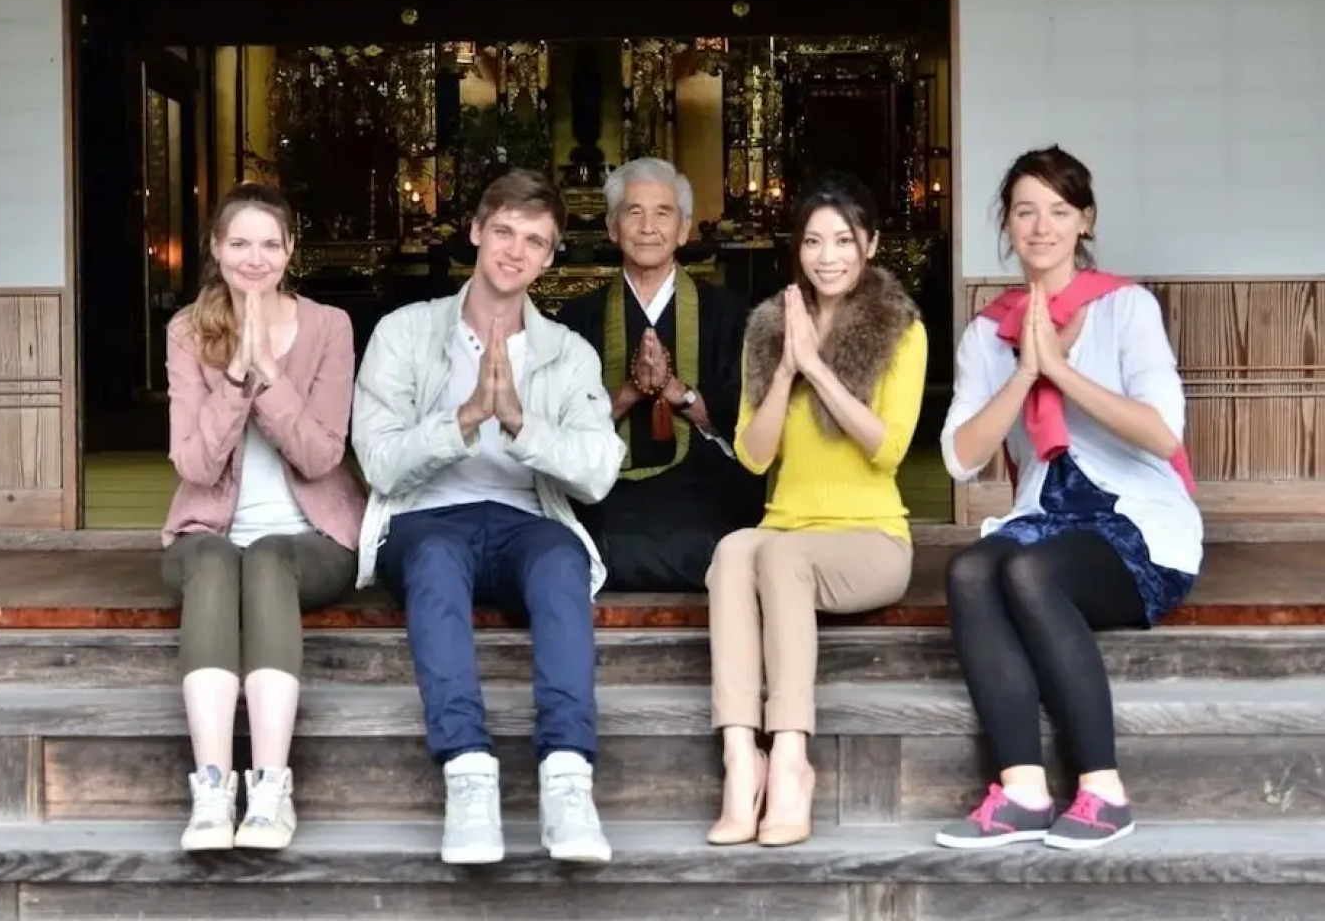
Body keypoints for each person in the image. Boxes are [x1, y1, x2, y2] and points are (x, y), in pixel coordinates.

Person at [350, 168, 626, 867]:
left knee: (564, 560)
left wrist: (520, 424)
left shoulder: (569, 353)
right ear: (475, 231)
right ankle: (468, 773)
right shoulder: (404, 332)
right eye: (503, 231)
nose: (514, 250)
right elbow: (378, 464)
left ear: (550, 255)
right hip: (424, 520)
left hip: (522, 519)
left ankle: (568, 775)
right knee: (436, 562)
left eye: (534, 240)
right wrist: (465, 418)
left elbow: (597, 473)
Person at [934, 146, 1202, 852]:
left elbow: (1160, 430)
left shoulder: (1126, 308)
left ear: (1084, 221)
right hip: (1046, 517)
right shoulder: (988, 333)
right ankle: (1021, 789)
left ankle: (1103, 791)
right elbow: (960, 458)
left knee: (1027, 572)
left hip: (1137, 527)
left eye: (1058, 210)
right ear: (1008, 225)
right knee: (967, 569)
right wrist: (1025, 373)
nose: (1041, 226)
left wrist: (1062, 371)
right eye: (1025, 211)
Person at [704, 174, 928, 848]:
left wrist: (819, 368)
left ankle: (793, 759)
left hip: (871, 541)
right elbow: (752, 454)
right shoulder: (770, 328)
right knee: (733, 550)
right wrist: (783, 371)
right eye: (812, 242)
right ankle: (743, 761)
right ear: (796, 249)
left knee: (774, 552)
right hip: (786, 531)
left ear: (871, 245)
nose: (827, 256)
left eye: (843, 240)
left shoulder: (901, 331)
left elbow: (887, 451)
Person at [160, 182, 366, 852]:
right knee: (221, 561)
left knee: (270, 557)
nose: (255, 258)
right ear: (216, 250)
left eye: (269, 244)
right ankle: (214, 789)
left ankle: (272, 788)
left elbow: (320, 454)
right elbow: (192, 464)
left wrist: (271, 378)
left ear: (290, 252)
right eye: (240, 243)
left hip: (313, 535)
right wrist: (235, 379)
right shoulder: (188, 331)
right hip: (207, 531)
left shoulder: (329, 327)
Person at [558, 158, 764, 592]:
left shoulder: (727, 312)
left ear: (683, 228)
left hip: (700, 481)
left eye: (663, 213)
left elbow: (744, 423)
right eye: (634, 212)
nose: (648, 226)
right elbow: (564, 429)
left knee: (710, 544)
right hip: (608, 485)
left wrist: (679, 393)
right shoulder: (579, 318)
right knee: (585, 546)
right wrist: (632, 391)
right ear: (613, 227)